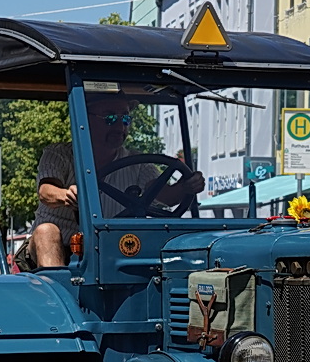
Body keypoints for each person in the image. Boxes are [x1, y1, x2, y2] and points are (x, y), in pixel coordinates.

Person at [32, 102, 204, 268]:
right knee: (46, 232)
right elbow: (46, 191)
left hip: (112, 248)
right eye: (110, 118)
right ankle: (57, 290)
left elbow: (164, 196)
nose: (120, 127)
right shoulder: (60, 154)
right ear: (86, 120)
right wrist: (65, 195)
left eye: (125, 119)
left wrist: (185, 187)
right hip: (61, 246)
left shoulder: (138, 163)